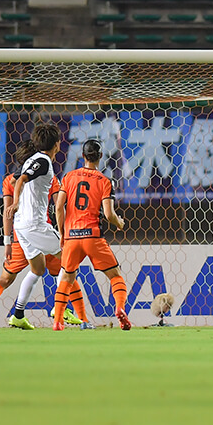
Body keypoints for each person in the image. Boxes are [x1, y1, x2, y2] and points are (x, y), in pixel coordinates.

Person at [0, 140, 83, 330]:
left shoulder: (9, 181)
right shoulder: (49, 176)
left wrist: (7, 242)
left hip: (19, 236)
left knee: (6, 278)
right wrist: (65, 232)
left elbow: (7, 212)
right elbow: (60, 206)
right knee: (67, 268)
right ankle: (67, 311)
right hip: (41, 232)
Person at [52, 139, 130, 331]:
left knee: (67, 278)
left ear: (83, 156)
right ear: (100, 156)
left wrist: (62, 233)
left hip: (72, 237)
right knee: (115, 275)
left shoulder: (69, 177)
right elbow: (109, 214)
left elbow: (59, 207)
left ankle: (58, 322)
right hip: (93, 236)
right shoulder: (105, 181)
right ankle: (120, 308)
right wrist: (119, 223)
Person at [3, 123, 64, 330]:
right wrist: (16, 202)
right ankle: (59, 308)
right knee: (69, 260)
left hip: (21, 225)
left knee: (38, 269)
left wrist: (21, 200)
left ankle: (18, 315)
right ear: (57, 145)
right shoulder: (43, 161)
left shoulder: (32, 160)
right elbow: (20, 180)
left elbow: (16, 180)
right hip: (34, 224)